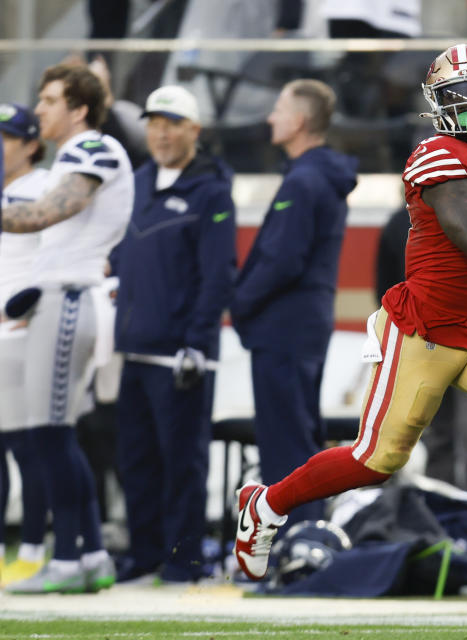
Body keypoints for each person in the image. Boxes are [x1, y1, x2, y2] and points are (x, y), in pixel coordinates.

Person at [233, 44, 467, 599]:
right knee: (375, 460)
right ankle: (265, 505)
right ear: (437, 105)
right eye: (457, 96)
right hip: (424, 330)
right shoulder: (435, 157)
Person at [0, 63, 134, 594]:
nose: (40, 108)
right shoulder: (69, 156)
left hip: (71, 298)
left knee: (51, 436)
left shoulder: (91, 149)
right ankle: (91, 554)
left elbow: (53, 212)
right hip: (55, 300)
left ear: (79, 109)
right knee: (52, 435)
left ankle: (69, 557)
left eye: (50, 99)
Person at [111, 85, 236, 582]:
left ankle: (183, 561)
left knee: (182, 463)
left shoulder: (211, 190)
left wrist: (197, 343)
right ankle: (143, 557)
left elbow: (218, 274)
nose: (160, 132)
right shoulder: (137, 182)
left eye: (171, 122)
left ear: (193, 130)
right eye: (153, 122)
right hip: (134, 350)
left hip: (180, 355)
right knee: (135, 461)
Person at [231, 79, 357, 531]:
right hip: (303, 324)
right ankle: (304, 537)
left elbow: (282, 259)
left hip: (285, 326)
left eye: (279, 109)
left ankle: (292, 543)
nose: (270, 118)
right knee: (299, 435)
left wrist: (239, 302)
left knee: (285, 442)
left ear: (300, 121)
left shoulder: (304, 180)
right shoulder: (316, 177)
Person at [375, 206, 467, 497]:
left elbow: (384, 293)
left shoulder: (399, 223)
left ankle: (453, 510)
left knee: (446, 432)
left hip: (433, 341)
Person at [0, 104, 50, 587]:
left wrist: (25, 312)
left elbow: (51, 261)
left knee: (27, 448)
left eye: (8, 137)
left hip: (19, 335)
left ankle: (34, 546)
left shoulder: (45, 190)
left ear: (31, 143)